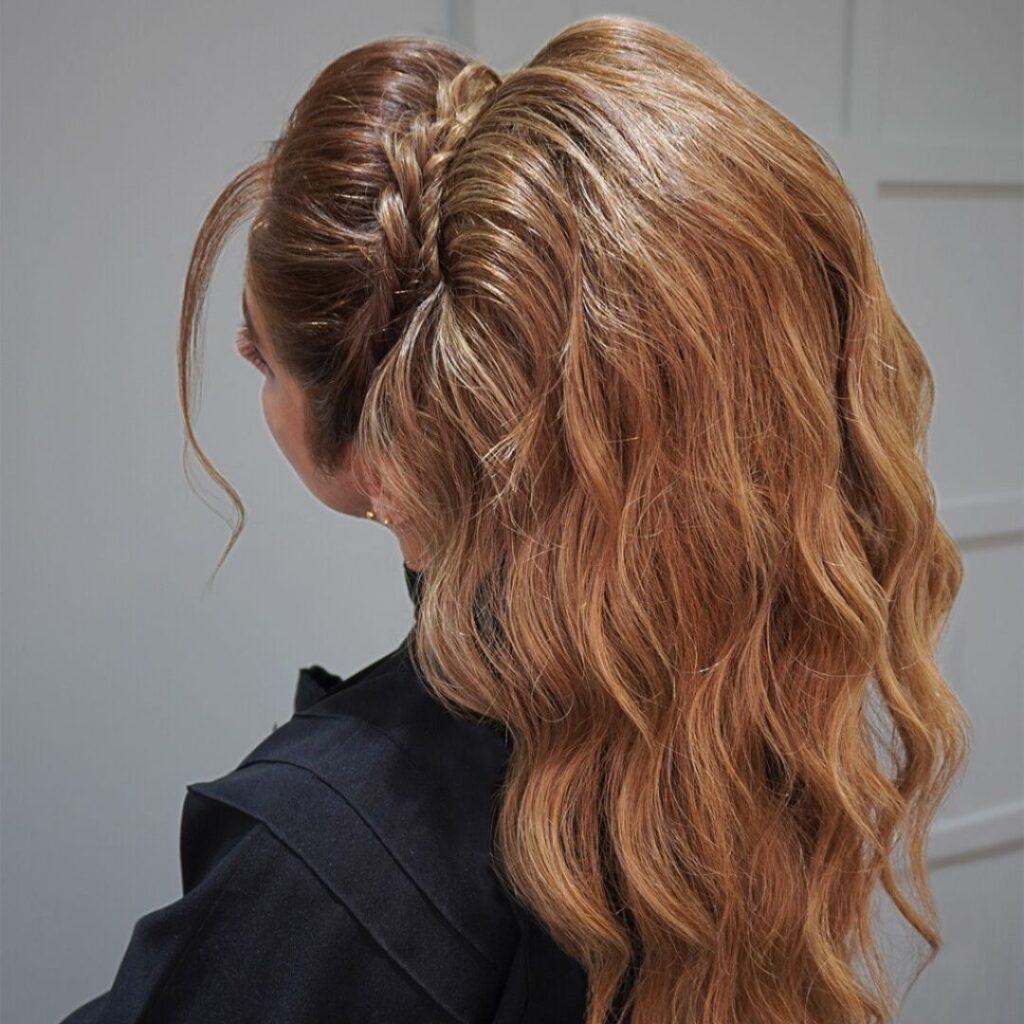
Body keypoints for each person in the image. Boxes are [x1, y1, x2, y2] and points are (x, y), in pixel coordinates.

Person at [58, 13, 971, 1024]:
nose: (247, 365)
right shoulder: (736, 722)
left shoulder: (324, 866)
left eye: (261, 354)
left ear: (385, 469)